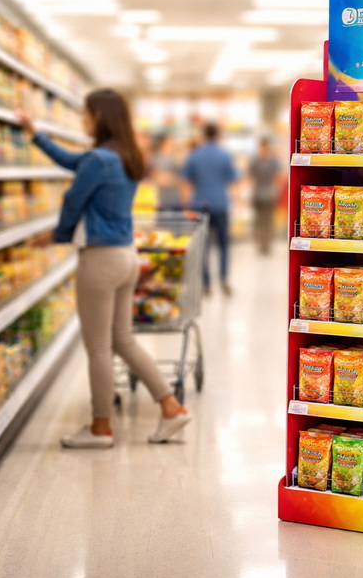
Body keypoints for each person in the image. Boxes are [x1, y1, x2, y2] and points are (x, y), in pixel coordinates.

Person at [18, 89, 191, 447]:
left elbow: (72, 199)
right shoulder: (124, 156)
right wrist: (35, 134)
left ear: (99, 116)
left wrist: (57, 235)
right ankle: (171, 408)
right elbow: (73, 161)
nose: (82, 119)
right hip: (127, 255)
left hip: (100, 259)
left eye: (85, 113)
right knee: (122, 340)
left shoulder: (99, 159)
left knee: (98, 347)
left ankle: (100, 428)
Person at [182, 123, 239, 296]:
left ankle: (206, 284)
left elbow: (186, 182)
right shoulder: (225, 155)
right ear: (218, 135)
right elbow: (234, 180)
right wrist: (236, 201)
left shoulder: (194, 155)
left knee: (203, 245)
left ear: (203, 135)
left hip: (200, 205)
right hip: (221, 203)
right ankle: (223, 279)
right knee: (223, 245)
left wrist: (186, 205)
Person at [248, 137, 282, 255]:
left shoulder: (269, 161)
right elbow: (250, 178)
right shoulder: (258, 161)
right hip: (259, 194)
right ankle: (261, 242)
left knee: (267, 220)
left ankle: (266, 244)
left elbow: (278, 178)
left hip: (268, 195)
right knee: (259, 220)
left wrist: (276, 190)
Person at [149, 133, 183, 209]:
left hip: (175, 198)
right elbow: (154, 176)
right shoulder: (155, 157)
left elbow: (181, 178)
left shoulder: (178, 158)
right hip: (160, 198)